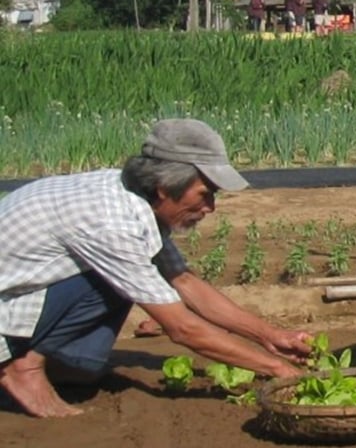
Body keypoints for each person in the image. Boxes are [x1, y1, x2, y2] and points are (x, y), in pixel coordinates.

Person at [0, 119, 312, 418]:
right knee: (118, 280)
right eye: (206, 194)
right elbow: (181, 327)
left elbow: (184, 282)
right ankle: (23, 367)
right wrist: (278, 370)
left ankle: (59, 365)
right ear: (165, 186)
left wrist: (270, 336)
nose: (210, 208)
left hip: (21, 295)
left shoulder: (132, 197)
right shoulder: (112, 223)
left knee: (128, 290)